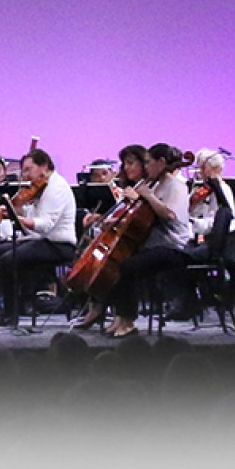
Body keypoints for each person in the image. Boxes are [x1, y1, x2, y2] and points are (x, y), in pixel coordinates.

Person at [0, 147, 76, 327]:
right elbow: (33, 215)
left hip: (59, 245)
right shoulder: (42, 186)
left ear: (43, 166)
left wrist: (15, 217)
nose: (26, 175)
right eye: (24, 170)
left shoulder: (56, 187)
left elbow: (45, 225)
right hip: (42, 241)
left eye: (29, 170)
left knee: (8, 259)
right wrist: (16, 209)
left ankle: (9, 315)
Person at [99, 143, 192, 340]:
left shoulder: (176, 185)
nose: (146, 167)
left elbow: (169, 214)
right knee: (114, 262)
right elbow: (143, 216)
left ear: (162, 162)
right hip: (154, 244)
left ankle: (129, 320)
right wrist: (116, 220)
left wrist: (148, 195)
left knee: (128, 267)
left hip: (173, 246)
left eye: (149, 162)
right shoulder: (156, 184)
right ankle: (119, 317)